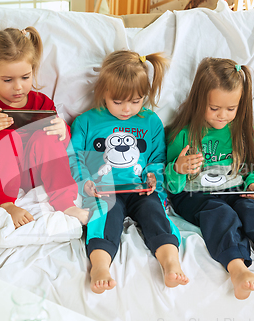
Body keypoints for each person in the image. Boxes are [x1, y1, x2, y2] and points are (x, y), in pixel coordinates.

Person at [165, 57, 254, 299]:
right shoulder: (184, 134)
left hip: (236, 191)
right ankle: (238, 270)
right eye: (214, 108)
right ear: (200, 101)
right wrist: (178, 169)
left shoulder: (244, 132)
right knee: (221, 215)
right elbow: (170, 185)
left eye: (231, 109)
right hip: (196, 196)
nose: (223, 116)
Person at [68, 50, 189, 294]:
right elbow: (73, 156)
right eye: (118, 101)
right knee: (103, 218)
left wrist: (154, 176)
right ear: (104, 93)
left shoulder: (151, 121)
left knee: (155, 214)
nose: (127, 109)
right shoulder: (86, 121)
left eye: (136, 101)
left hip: (140, 189)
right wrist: (85, 182)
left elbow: (157, 158)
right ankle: (100, 267)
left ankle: (170, 262)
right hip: (104, 190)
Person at [0, 26, 89, 228]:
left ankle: (64, 202)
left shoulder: (42, 103)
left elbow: (60, 149)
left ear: (33, 71)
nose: (18, 87)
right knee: (6, 138)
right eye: (8, 80)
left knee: (48, 136)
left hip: (35, 172)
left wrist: (63, 131)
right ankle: (6, 203)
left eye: (25, 77)